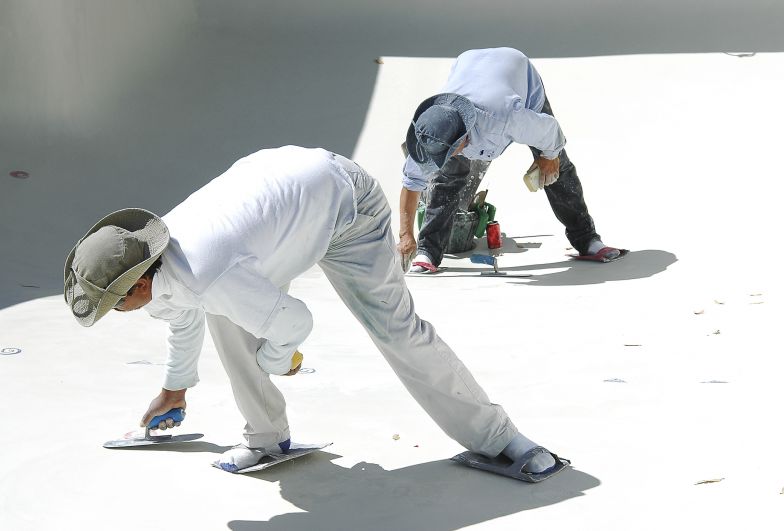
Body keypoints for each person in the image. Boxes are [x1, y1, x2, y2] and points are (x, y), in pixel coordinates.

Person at [63, 146, 566, 480]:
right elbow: (183, 316)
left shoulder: (204, 271)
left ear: (139, 281)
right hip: (284, 214)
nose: (118, 313)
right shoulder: (155, 258)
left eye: (116, 304)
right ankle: (267, 438)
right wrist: (176, 388)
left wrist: (278, 359)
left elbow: (296, 323)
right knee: (226, 313)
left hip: (349, 206)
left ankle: (504, 440)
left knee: (395, 329)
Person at [399, 47, 626, 273]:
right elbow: (411, 184)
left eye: (448, 152)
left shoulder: (506, 119)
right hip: (469, 65)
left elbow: (551, 131)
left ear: (462, 136)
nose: (441, 158)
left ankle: (587, 239)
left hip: (518, 73)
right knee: (447, 177)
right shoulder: (430, 132)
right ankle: (428, 251)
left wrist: (548, 156)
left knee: (557, 170)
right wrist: (406, 235)